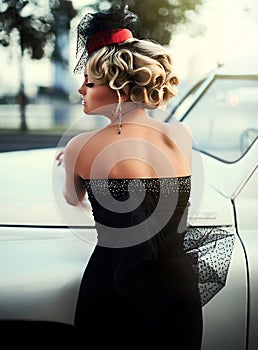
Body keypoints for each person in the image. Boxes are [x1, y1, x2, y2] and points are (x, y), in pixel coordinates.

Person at [59, 5, 203, 348]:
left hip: (111, 290)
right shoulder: (181, 135)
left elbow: (72, 199)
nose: (81, 90)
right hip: (178, 294)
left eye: (89, 82)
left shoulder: (82, 146)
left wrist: (71, 160)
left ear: (120, 90)